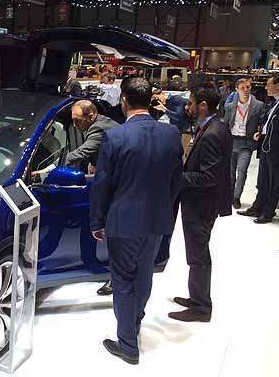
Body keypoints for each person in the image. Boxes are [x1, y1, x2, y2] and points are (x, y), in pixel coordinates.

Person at [89, 77, 183, 365]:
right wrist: (163, 206)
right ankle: (135, 320)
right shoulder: (171, 134)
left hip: (123, 220)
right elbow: (176, 179)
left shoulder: (115, 137)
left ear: (124, 101)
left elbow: (102, 185)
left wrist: (97, 221)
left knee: (122, 279)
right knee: (144, 275)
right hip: (156, 218)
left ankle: (128, 343)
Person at [169, 84, 232, 323]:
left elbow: (208, 177)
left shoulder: (212, 133)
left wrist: (177, 177)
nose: (188, 107)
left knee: (198, 255)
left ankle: (201, 307)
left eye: (191, 102)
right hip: (201, 202)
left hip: (201, 204)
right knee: (197, 253)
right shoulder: (213, 126)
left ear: (203, 105)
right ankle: (197, 298)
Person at [237, 73, 279, 223]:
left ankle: (268, 212)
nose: (266, 87)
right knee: (263, 181)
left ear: (278, 86)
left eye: (268, 84)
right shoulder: (275, 102)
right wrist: (261, 133)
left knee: (275, 183)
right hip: (266, 145)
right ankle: (257, 208)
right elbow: (268, 122)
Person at [222, 79, 265, 209]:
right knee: (230, 172)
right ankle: (229, 196)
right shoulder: (230, 106)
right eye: (243, 88)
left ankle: (236, 197)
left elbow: (262, 123)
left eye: (248, 87)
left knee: (242, 171)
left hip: (246, 143)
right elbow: (225, 123)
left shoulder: (259, 105)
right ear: (237, 90)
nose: (246, 90)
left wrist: (259, 132)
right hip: (232, 141)